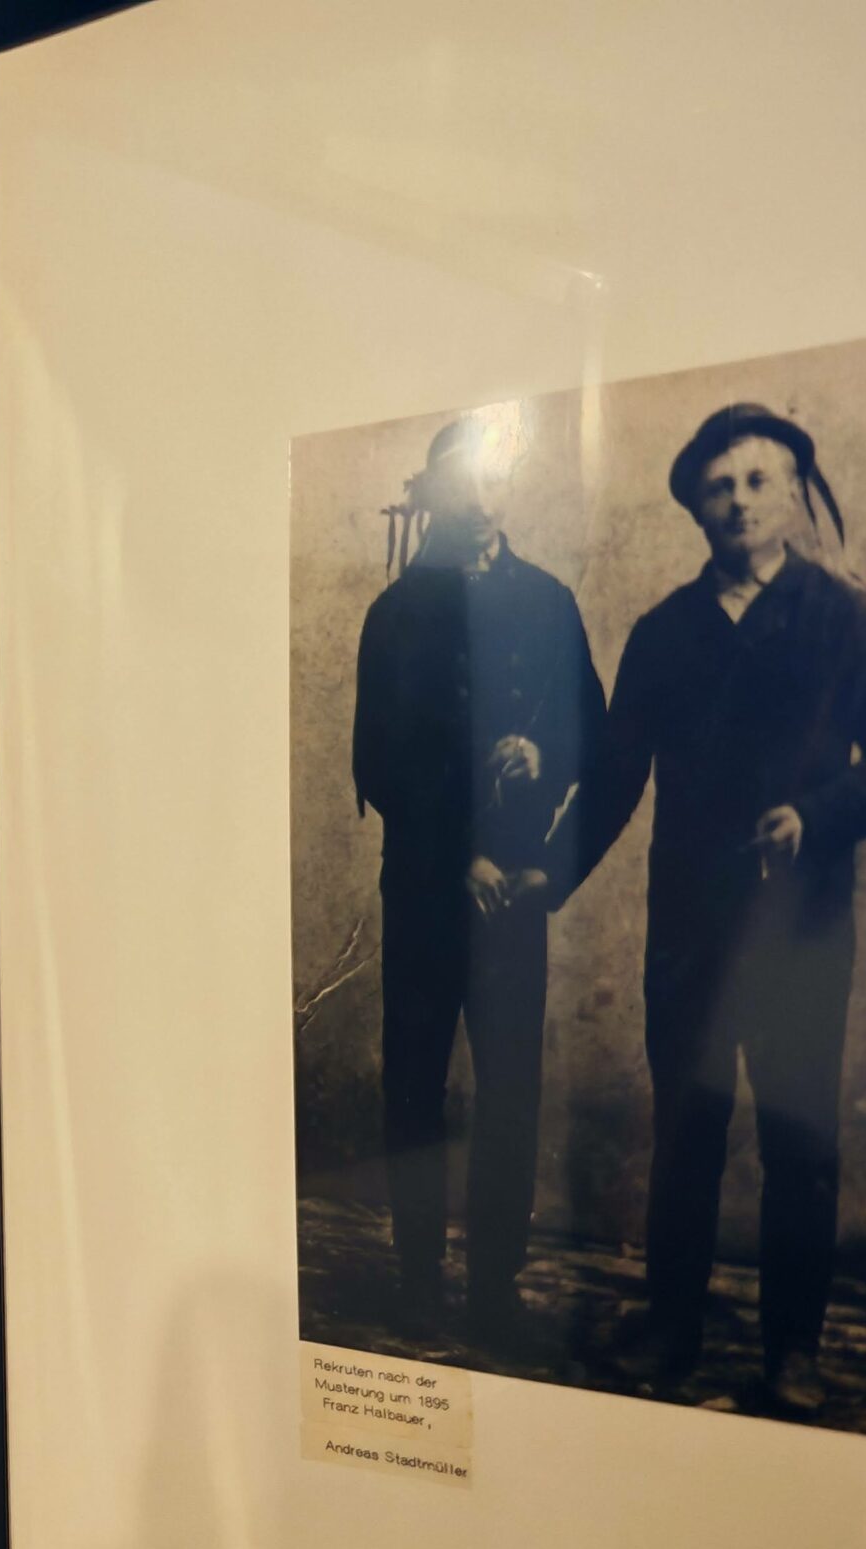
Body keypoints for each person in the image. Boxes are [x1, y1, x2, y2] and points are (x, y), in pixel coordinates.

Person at [534, 403, 866, 1413]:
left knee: (800, 1142)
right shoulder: (664, 634)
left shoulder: (847, 619)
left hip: (802, 929)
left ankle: (792, 1351)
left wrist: (818, 816)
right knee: (687, 1131)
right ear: (695, 507)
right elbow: (615, 779)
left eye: (758, 481)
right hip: (691, 931)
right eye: (719, 487)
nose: (739, 502)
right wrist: (548, 874)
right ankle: (671, 1330)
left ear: (792, 491)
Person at [350, 415, 605, 1342]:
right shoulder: (395, 614)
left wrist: (544, 756)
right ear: (436, 496)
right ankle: (418, 1278)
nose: (479, 500)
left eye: (493, 481)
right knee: (414, 1086)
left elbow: (597, 736)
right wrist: (459, 855)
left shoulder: (547, 603)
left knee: (509, 1092)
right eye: (460, 485)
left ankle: (496, 1284)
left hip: (513, 898)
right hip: (426, 887)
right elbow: (378, 762)